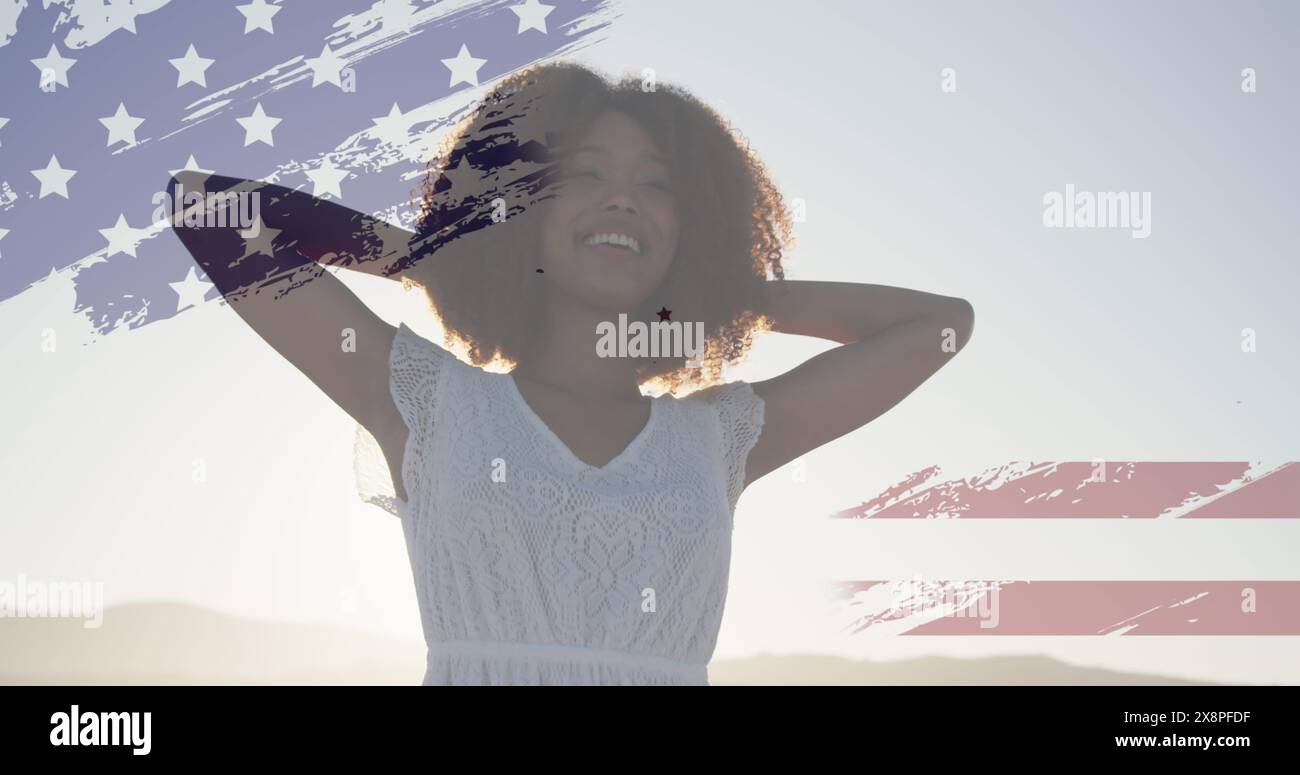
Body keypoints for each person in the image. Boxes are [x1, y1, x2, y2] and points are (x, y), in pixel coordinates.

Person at [167, 62, 974, 685]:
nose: (621, 201)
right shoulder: (428, 400)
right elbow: (204, 204)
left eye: (657, 186)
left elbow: (939, 328)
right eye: (584, 175)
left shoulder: (721, 436)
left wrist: (718, 287)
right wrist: (444, 254)